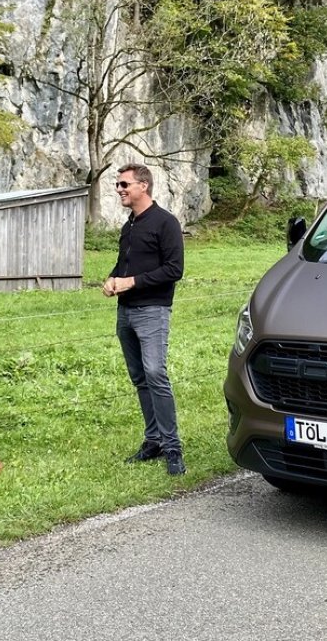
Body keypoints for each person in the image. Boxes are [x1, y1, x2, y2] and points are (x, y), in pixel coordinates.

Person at [103, 163, 186, 475]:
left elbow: (174, 269)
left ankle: (173, 446)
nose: (120, 190)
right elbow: (124, 264)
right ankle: (153, 441)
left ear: (143, 186)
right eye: (118, 185)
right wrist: (113, 279)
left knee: (155, 373)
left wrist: (132, 282)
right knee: (140, 378)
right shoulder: (130, 225)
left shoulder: (165, 222)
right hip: (125, 312)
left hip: (152, 310)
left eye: (125, 185)